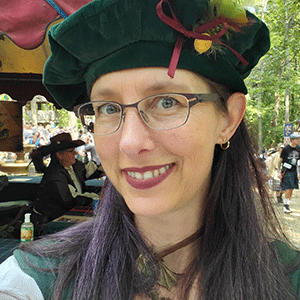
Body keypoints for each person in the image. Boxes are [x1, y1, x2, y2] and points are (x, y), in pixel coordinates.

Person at [0, 0, 300, 299]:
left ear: (229, 119)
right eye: (107, 108)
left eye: (167, 102)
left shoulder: (289, 281)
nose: (130, 142)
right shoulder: (34, 282)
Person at [28, 133, 103, 227]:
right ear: (59, 155)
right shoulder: (55, 175)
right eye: (71, 151)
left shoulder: (73, 166)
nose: (75, 153)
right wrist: (97, 199)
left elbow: (89, 171)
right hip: (48, 224)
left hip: (61, 215)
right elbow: (71, 200)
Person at [279, 132, 300, 213]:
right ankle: (285, 205)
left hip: (294, 171)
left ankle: (287, 203)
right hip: (286, 171)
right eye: (297, 139)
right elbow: (280, 160)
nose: (298, 140)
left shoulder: (299, 148)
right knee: (289, 188)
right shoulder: (285, 149)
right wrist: (278, 171)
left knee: (291, 189)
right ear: (292, 140)